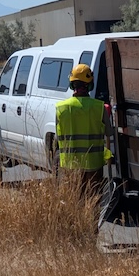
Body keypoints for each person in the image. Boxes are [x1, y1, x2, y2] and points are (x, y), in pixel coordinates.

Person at [55, 63, 111, 198]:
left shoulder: (61, 108)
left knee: (73, 200)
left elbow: (57, 136)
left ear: (71, 84)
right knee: (92, 201)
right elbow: (109, 133)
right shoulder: (100, 107)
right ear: (90, 84)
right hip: (94, 165)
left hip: (70, 165)